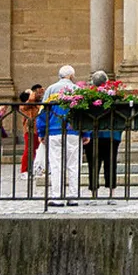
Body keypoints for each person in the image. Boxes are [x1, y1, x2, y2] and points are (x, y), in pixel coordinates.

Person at [37, 65, 90, 207]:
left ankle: (57, 196)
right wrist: (86, 133)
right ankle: (73, 197)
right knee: (73, 164)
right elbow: (84, 115)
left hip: (54, 130)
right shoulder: (77, 90)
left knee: (56, 165)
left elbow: (43, 112)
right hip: (73, 131)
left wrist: (41, 132)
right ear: (72, 76)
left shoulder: (50, 89)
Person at [83, 70, 123, 194]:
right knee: (110, 164)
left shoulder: (87, 97)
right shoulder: (113, 96)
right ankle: (112, 192)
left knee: (93, 165)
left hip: (93, 135)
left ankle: (94, 193)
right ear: (106, 82)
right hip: (111, 135)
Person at [18, 89, 42, 180]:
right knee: (28, 150)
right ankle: (24, 170)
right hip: (29, 129)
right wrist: (31, 92)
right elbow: (31, 100)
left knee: (36, 150)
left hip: (37, 129)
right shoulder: (24, 106)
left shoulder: (35, 105)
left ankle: (34, 168)